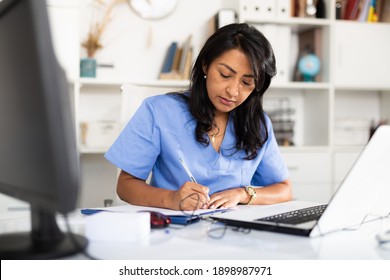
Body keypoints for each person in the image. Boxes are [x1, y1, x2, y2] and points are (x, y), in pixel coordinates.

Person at [105, 23, 292, 211]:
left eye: (247, 82)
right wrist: (172, 198)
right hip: (173, 228)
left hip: (234, 231)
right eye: (225, 74)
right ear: (205, 65)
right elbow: (125, 186)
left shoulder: (258, 124)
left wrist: (242, 194)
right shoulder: (159, 111)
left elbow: (284, 189)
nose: (233, 91)